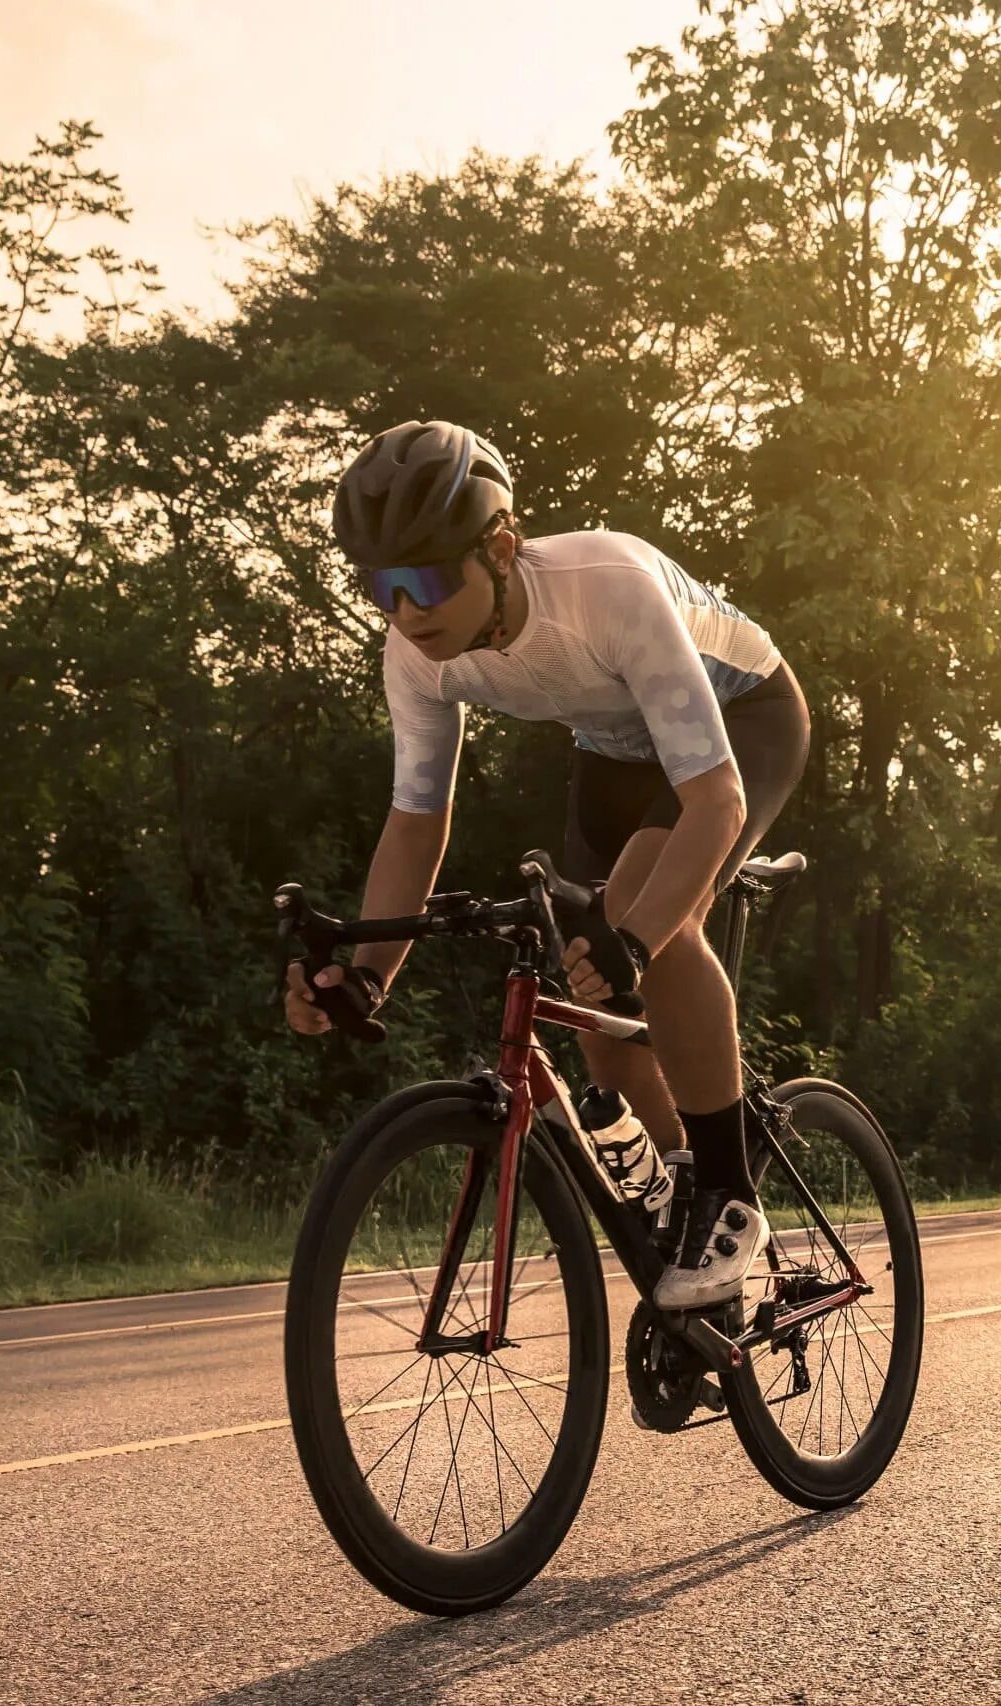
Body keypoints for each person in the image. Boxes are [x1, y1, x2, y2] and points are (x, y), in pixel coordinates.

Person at [282, 420, 809, 1313]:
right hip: (616, 749)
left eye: (428, 578)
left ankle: (728, 1194)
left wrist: (637, 940)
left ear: (499, 545)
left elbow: (714, 802)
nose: (407, 611)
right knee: (595, 1003)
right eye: (383, 587)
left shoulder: (604, 586)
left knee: (648, 918)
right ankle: (680, 1191)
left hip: (744, 719)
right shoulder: (415, 658)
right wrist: (365, 977)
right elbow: (415, 826)